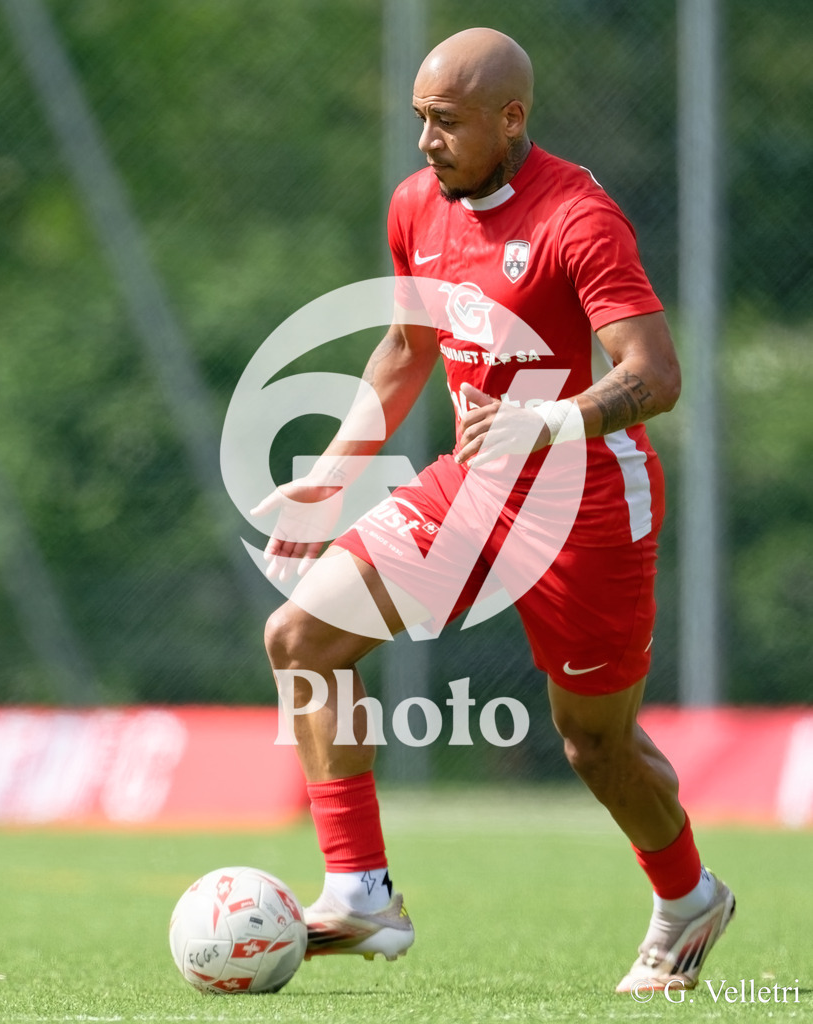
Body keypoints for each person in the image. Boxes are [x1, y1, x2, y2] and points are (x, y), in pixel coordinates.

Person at [252, 27, 735, 993]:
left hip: (590, 502)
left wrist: (546, 424)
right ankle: (358, 892)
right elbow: (403, 346)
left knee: (595, 745)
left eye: (446, 123)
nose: (426, 142)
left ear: (510, 119)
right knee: (301, 638)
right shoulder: (415, 206)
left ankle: (687, 898)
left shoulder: (578, 219)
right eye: (419, 121)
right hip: (474, 488)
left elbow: (655, 377)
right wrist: (336, 470)